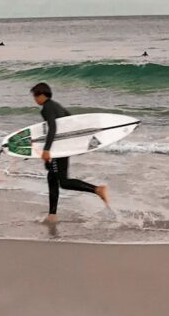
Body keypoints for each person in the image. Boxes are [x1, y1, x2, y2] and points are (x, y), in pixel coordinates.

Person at [30, 82, 109, 223]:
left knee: (63, 182)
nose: (35, 99)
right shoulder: (57, 106)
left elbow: (53, 128)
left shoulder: (47, 108)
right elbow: (71, 122)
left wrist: (47, 149)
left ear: (42, 95)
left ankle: (97, 189)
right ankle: (52, 216)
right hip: (63, 147)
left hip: (59, 149)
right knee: (52, 178)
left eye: (35, 96)